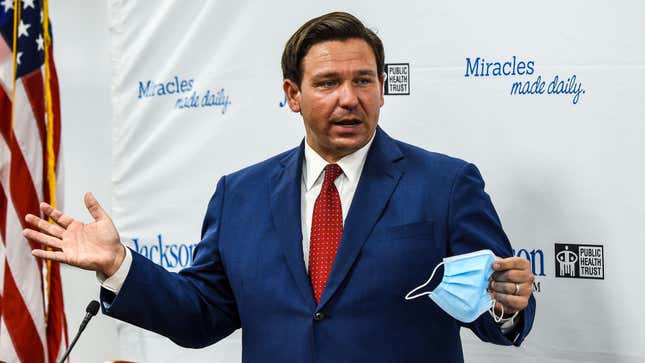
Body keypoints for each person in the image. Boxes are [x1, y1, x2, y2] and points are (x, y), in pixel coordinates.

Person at [24, 11, 535, 362]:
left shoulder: (446, 185)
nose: (349, 98)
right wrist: (119, 266)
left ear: (383, 87)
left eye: (364, 80)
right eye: (328, 82)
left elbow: (497, 304)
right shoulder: (239, 194)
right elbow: (203, 314)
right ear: (293, 94)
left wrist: (507, 306)